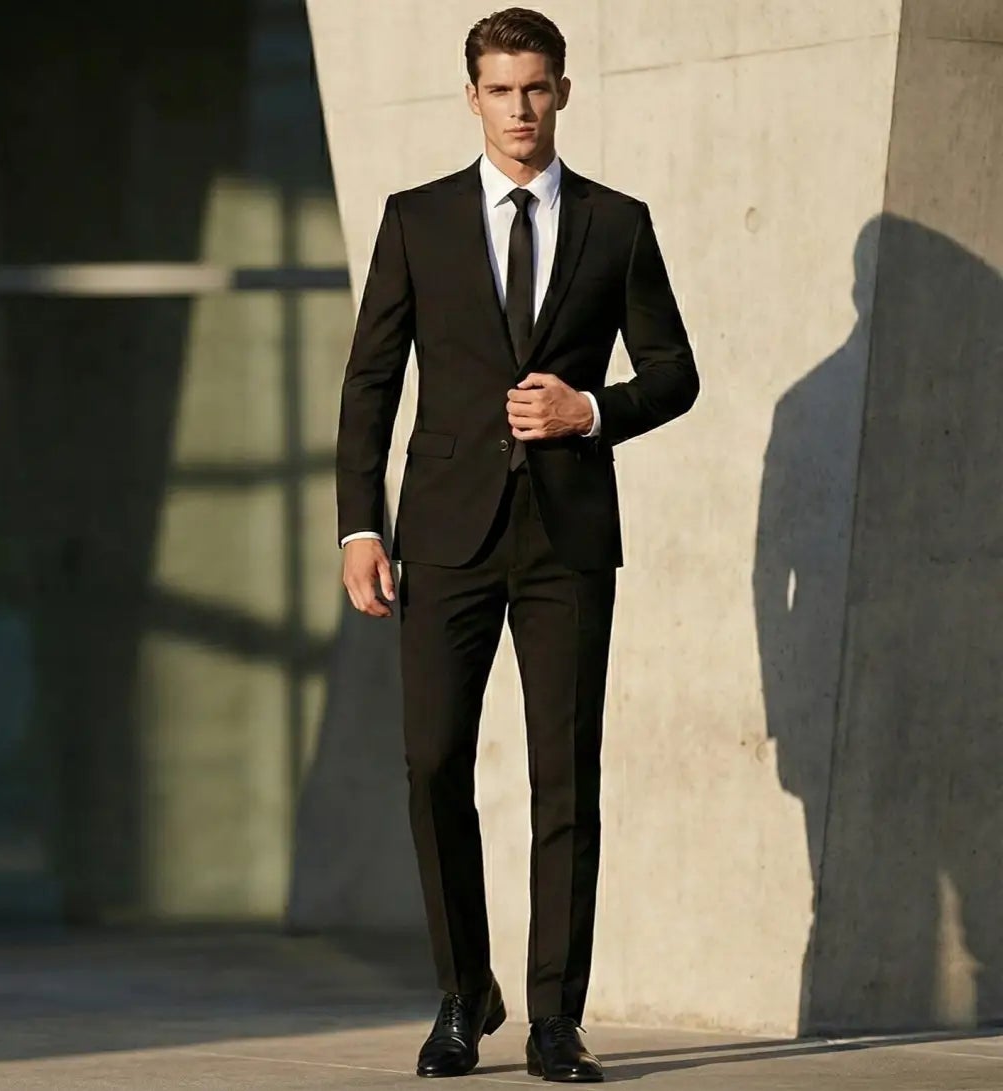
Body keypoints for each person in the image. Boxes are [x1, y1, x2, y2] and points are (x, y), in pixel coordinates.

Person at [334, 8, 699, 1082]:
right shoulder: (416, 219)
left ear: (563, 92)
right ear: (471, 98)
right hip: (443, 533)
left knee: (562, 778)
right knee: (432, 760)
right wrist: (361, 522)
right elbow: (369, 382)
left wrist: (590, 409)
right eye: (501, 90)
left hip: (566, 539)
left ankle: (552, 1017)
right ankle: (462, 993)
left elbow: (673, 370)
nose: (520, 110)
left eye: (536, 88)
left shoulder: (615, 222)